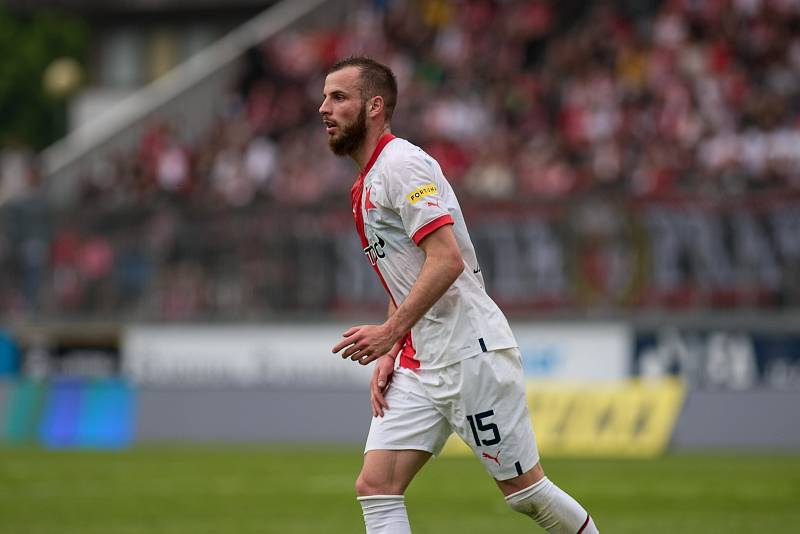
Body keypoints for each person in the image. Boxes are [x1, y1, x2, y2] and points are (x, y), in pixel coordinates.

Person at [321, 56, 599, 534]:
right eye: (325, 97)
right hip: (421, 361)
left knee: (526, 495)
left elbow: (445, 260)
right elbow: (406, 272)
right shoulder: (364, 184)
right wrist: (397, 347)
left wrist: (390, 331)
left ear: (374, 106)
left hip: (470, 354)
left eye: (338, 97)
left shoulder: (402, 165)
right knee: (376, 486)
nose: (323, 107)